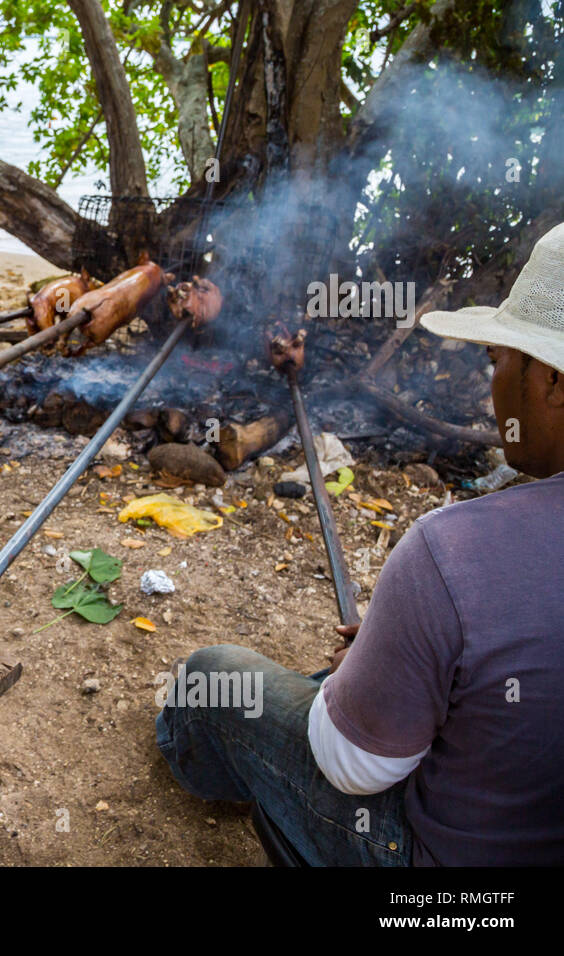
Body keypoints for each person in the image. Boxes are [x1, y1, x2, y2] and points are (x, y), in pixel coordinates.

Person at [155, 223, 564, 866]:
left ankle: (200, 761)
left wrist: (365, 670)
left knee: (211, 679)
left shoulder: (451, 550)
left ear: (553, 381)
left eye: (498, 359)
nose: (494, 382)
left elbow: (352, 769)